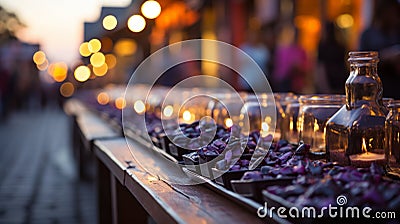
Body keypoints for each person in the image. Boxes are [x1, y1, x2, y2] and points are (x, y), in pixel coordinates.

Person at [359, 0, 400, 99]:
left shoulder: (397, 33)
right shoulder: (368, 35)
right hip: (375, 89)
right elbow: (361, 61)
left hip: (396, 86)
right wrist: (384, 57)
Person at [272, 23, 309, 93]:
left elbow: (306, 67)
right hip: (282, 82)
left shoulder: (301, 50)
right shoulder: (282, 49)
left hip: (296, 84)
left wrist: (298, 67)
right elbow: (277, 66)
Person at [316, 22, 347, 94]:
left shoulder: (323, 46)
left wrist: (323, 86)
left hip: (329, 80)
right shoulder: (341, 45)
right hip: (340, 81)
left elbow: (320, 67)